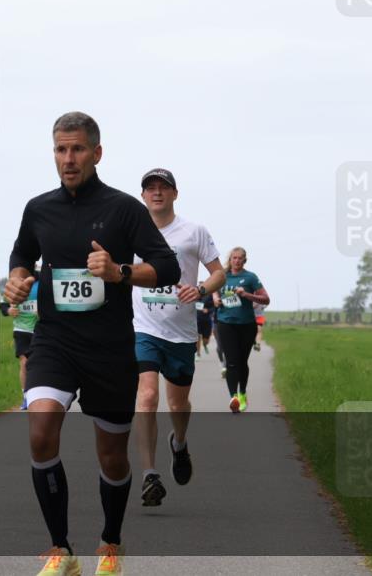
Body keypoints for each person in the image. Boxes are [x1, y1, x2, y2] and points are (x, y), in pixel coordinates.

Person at [4, 112, 179, 576]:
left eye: (77, 149)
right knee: (40, 431)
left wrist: (120, 271)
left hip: (109, 348)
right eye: (61, 149)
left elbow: (167, 266)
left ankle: (110, 543)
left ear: (96, 153)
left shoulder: (124, 209)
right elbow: (22, 255)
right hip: (55, 341)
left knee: (112, 455)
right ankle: (61, 551)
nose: (68, 158)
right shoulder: (38, 208)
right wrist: (19, 280)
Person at [130, 169, 225, 507]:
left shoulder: (193, 231)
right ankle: (149, 475)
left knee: (178, 404)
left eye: (163, 188)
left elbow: (219, 274)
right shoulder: (131, 232)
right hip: (144, 328)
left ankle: (179, 443)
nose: (157, 193)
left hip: (182, 333)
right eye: (150, 188)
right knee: (147, 397)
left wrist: (199, 290)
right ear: (143, 196)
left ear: (174, 193)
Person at [213, 247, 270, 413]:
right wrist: (216, 298)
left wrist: (246, 295)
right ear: (230, 259)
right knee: (231, 361)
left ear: (244, 260)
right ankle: (234, 398)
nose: (236, 261)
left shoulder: (250, 278)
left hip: (246, 325)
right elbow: (212, 290)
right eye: (234, 258)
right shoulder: (222, 276)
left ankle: (243, 393)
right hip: (226, 323)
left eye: (240, 258)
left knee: (242, 362)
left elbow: (266, 299)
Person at [1, 268, 40, 409]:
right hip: (21, 329)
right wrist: (8, 310)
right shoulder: (14, 280)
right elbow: (3, 304)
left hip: (39, 329)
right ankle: (25, 397)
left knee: (38, 364)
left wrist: (43, 310)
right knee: (24, 362)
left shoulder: (41, 280)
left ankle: (38, 395)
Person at [196, 291, 214, 358]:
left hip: (206, 320)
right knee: (197, 337)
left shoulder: (209, 296)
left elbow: (214, 307)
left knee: (206, 340)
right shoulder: (194, 295)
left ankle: (205, 345)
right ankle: (198, 353)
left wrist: (208, 310)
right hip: (196, 319)